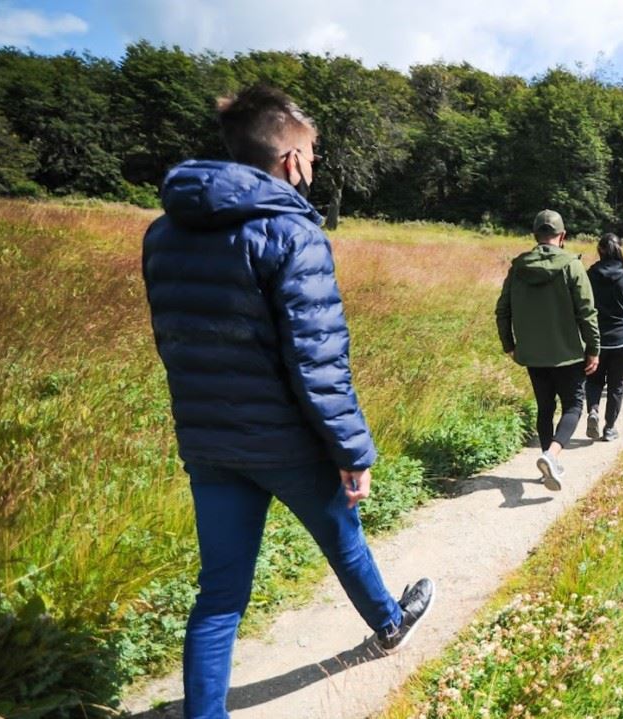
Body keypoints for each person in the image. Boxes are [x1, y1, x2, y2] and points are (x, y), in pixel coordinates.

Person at [141, 85, 433, 719]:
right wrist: (351, 450)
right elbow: (318, 363)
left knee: (219, 595)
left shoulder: (163, 233)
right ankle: (388, 623)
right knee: (343, 539)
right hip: (287, 443)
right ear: (288, 159)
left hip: (209, 442)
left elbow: (175, 341)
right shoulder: (291, 233)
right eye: (312, 154)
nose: (314, 166)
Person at [496, 210, 601, 490]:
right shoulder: (572, 265)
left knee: (545, 407)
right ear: (563, 236)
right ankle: (551, 455)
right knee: (574, 405)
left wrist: (510, 346)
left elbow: (502, 310)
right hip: (567, 353)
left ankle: (546, 465)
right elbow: (587, 312)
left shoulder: (518, 267)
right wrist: (593, 349)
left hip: (532, 354)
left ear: (535, 236)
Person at [584, 234, 623, 441]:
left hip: (596, 340)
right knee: (616, 386)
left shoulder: (588, 276)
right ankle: (609, 428)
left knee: (593, 381)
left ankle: (593, 410)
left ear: (600, 250)